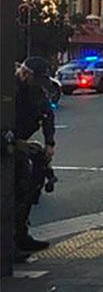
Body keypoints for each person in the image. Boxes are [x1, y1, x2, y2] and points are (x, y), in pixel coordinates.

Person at [13, 56, 56, 254]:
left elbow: (47, 114)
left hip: (18, 143)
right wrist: (15, 143)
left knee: (27, 188)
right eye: (35, 80)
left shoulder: (36, 90)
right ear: (24, 74)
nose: (38, 86)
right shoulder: (9, 88)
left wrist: (49, 143)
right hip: (10, 143)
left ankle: (20, 236)